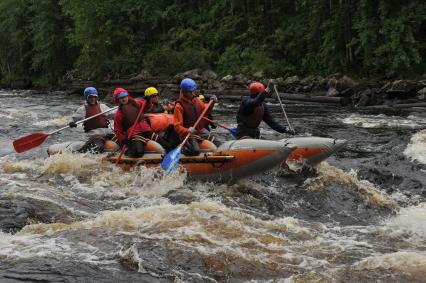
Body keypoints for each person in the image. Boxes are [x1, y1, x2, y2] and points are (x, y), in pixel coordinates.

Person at [112, 87, 171, 158]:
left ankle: (168, 155)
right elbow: (117, 130)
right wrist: (123, 139)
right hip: (135, 134)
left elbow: (148, 107)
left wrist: (148, 100)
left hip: (146, 130)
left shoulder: (136, 102)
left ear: (127, 96)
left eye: (124, 96)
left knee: (166, 144)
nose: (124, 99)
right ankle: (127, 153)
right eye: (121, 98)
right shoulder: (118, 114)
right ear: (117, 100)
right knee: (138, 152)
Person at [173, 78, 220, 155]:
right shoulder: (179, 106)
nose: (192, 93)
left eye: (193, 91)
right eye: (190, 92)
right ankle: (182, 150)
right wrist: (187, 130)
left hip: (200, 131)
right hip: (188, 135)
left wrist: (212, 103)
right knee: (195, 150)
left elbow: (206, 112)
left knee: (218, 143)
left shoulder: (197, 100)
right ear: (184, 92)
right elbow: (177, 126)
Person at [68, 87, 116, 153]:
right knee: (99, 147)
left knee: (119, 140)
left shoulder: (103, 106)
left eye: (94, 97)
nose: (93, 99)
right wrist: (71, 122)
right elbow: (73, 118)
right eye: (90, 97)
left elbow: (113, 115)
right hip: (93, 134)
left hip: (107, 132)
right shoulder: (83, 109)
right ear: (86, 98)